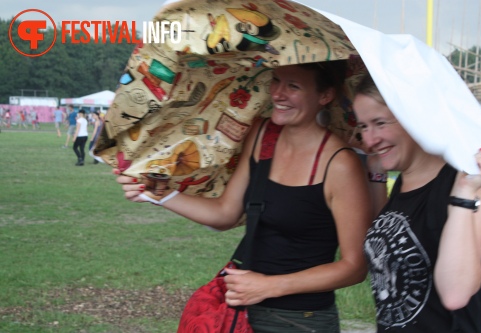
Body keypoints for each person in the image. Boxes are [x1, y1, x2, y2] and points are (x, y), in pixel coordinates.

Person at [115, 61, 378, 332]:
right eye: (276, 81)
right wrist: (160, 194)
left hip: (301, 319)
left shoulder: (341, 165)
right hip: (243, 310)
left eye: (293, 86)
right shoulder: (263, 135)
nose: (277, 94)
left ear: (325, 96)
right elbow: (225, 214)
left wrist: (268, 286)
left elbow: (354, 266)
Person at [352, 73, 481, 332]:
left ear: (414, 118)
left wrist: (464, 194)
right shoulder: (405, 181)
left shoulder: (464, 184)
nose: (370, 140)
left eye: (380, 123)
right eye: (363, 126)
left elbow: (456, 295)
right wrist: (376, 176)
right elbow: (384, 241)